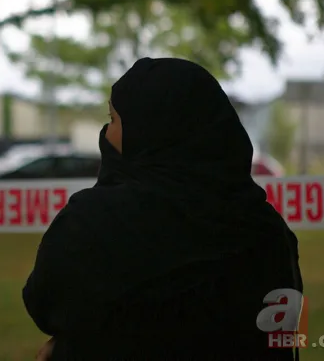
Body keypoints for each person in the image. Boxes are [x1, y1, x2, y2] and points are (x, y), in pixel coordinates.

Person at [23, 57, 303, 361]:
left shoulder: (92, 225)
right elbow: (279, 339)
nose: (107, 132)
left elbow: (45, 305)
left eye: (114, 119)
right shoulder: (267, 233)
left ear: (146, 131)